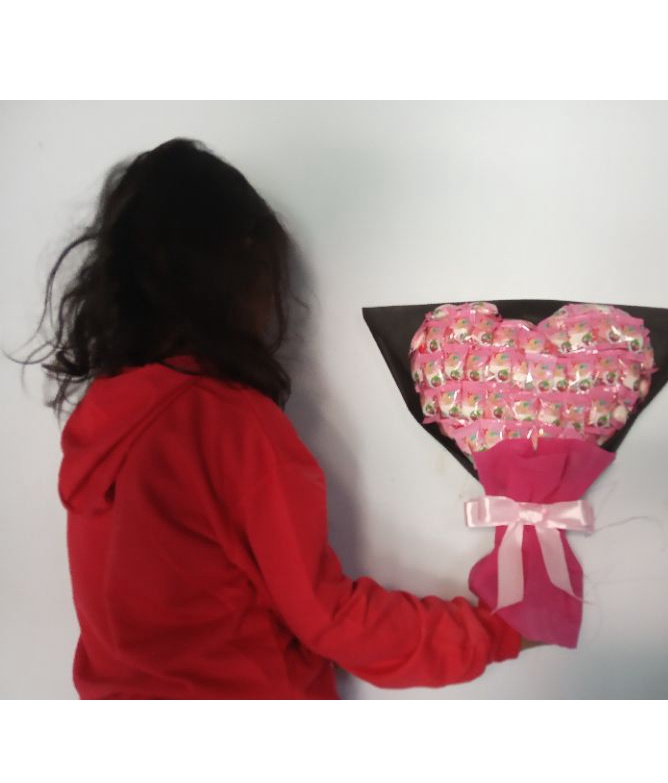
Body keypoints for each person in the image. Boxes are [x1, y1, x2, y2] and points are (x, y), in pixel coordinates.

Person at [13, 137, 540, 700]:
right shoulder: (226, 422)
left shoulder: (105, 414)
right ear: (241, 266)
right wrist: (497, 632)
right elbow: (331, 619)